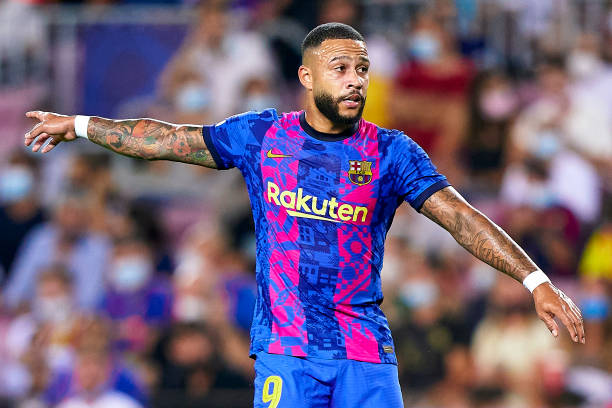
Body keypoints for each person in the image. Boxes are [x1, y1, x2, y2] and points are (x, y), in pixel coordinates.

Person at [23, 22, 584, 408]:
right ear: (307, 77)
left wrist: (533, 280)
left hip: (364, 351)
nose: (356, 79)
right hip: (286, 351)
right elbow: (166, 139)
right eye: (340, 67)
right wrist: (78, 126)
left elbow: (460, 217)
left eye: (362, 68)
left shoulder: (391, 151)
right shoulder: (263, 136)